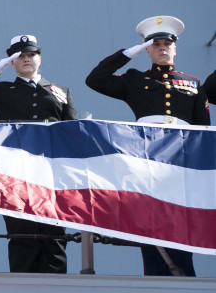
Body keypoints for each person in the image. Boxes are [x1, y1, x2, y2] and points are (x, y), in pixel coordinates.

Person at [85, 15, 210, 277]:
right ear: (148, 50)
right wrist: (130, 52)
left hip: (182, 157)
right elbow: (95, 79)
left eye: (167, 44)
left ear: (175, 48)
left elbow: (203, 130)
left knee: (180, 214)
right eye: (156, 45)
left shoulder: (194, 84)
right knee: (150, 214)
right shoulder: (134, 80)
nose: (163, 48)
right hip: (147, 155)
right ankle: (155, 273)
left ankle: (184, 272)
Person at [0, 34, 77, 274]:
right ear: (12, 62)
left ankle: (58, 291)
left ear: (39, 58)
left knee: (54, 231)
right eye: (20, 56)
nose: (26, 59)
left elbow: (71, 130)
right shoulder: (2, 90)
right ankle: (22, 288)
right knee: (21, 230)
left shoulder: (60, 91)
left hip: (50, 170)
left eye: (31, 54)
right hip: (15, 170)